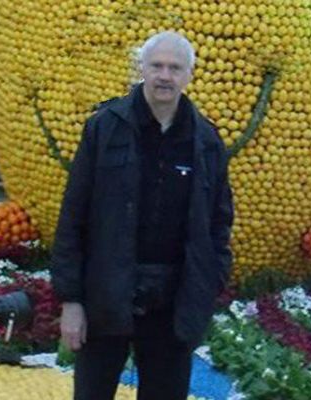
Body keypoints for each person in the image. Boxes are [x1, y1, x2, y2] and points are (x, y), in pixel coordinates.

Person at [51, 31, 234, 400]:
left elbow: (218, 224)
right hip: (106, 297)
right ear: (142, 69)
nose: (164, 75)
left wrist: (208, 287)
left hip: (171, 306)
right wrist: (71, 301)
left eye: (174, 68)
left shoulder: (206, 141)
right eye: (157, 66)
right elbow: (73, 217)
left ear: (188, 75)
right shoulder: (104, 127)